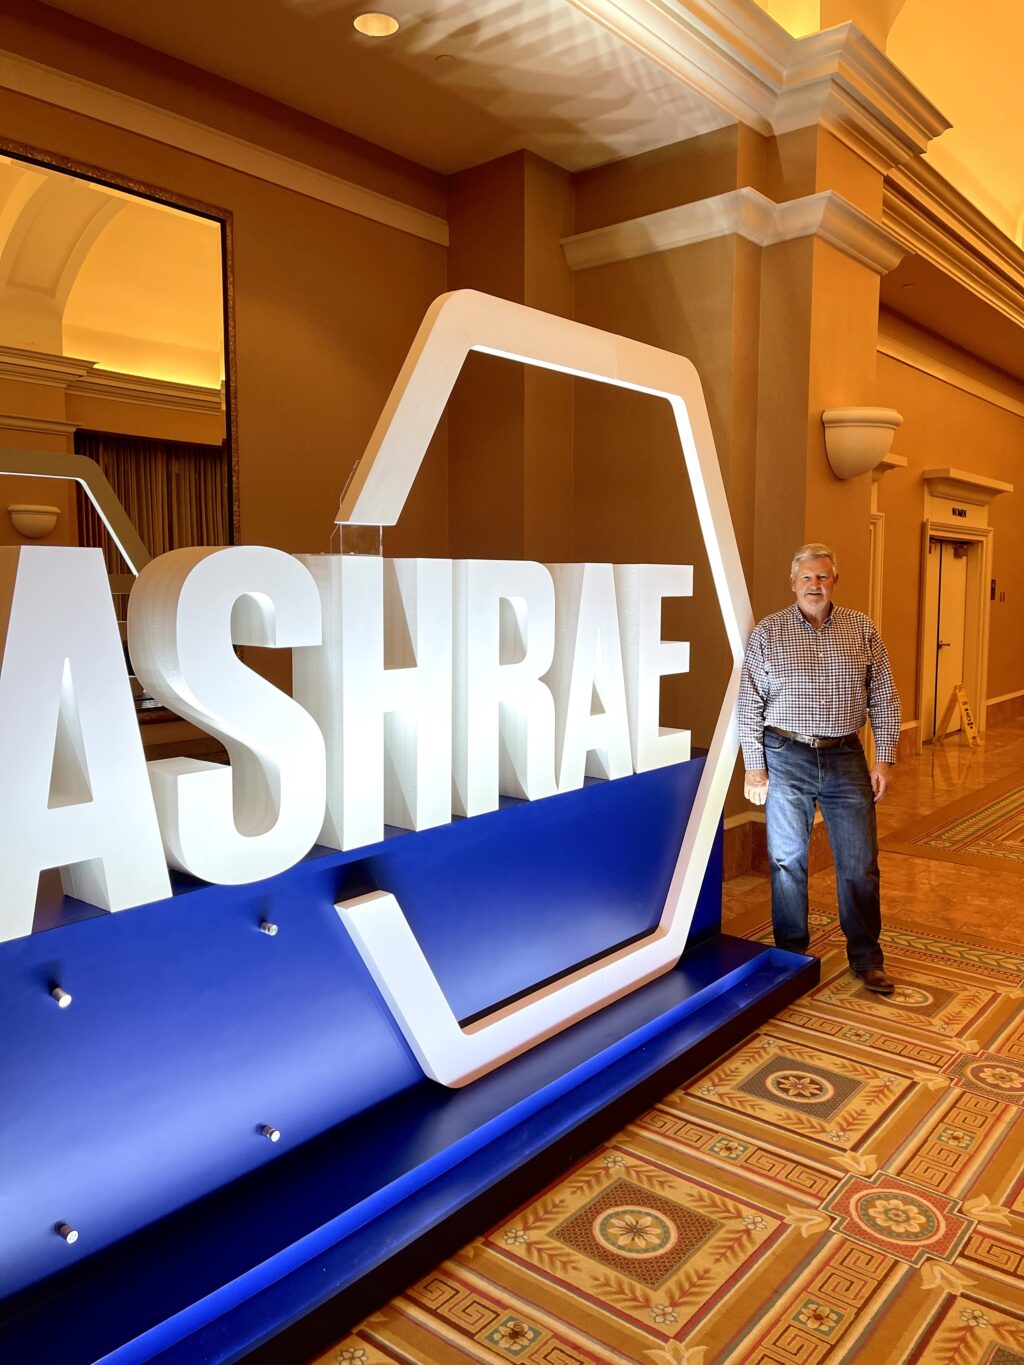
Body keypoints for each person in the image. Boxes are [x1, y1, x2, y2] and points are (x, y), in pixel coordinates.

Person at [738, 543, 900, 993]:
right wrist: (755, 767)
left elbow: (884, 698)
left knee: (860, 862)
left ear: (835, 582)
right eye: (807, 578)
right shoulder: (769, 633)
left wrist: (884, 757)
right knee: (787, 860)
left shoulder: (861, 629)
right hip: (785, 755)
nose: (815, 585)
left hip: (846, 755)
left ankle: (867, 957)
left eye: (823, 577)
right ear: (793, 583)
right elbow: (749, 703)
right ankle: (791, 955)